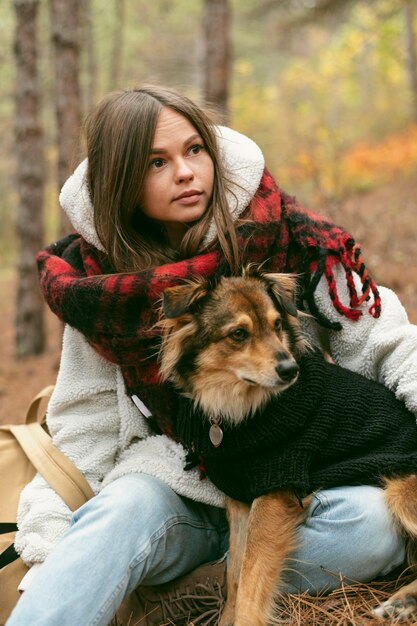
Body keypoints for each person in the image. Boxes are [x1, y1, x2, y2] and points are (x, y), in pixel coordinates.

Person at [7, 85, 417, 626]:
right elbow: (85, 425)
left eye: (194, 150)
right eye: (157, 162)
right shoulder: (97, 287)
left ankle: (205, 589)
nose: (185, 172)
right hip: (176, 486)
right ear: (121, 182)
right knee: (119, 512)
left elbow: (384, 340)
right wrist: (56, 546)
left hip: (305, 484)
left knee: (371, 524)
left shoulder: (291, 236)